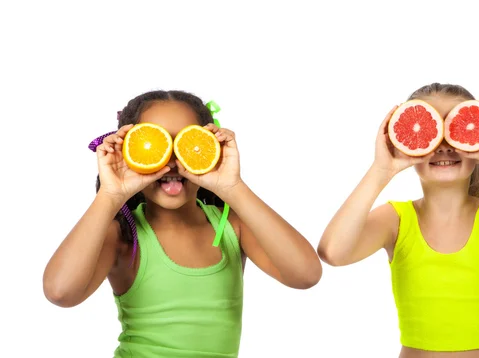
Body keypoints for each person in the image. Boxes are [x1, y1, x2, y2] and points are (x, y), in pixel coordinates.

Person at [43, 90, 323, 358]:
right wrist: (110, 194)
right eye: (154, 145)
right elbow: (60, 292)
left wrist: (233, 187)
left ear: (211, 148)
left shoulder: (232, 227)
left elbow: (305, 274)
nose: (172, 161)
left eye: (187, 145)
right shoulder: (123, 236)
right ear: (129, 151)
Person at [317, 83, 479, 358]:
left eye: (455, 131)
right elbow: (333, 252)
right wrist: (381, 170)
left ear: (478, 143)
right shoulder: (395, 220)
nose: (443, 146)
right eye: (431, 132)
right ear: (406, 142)